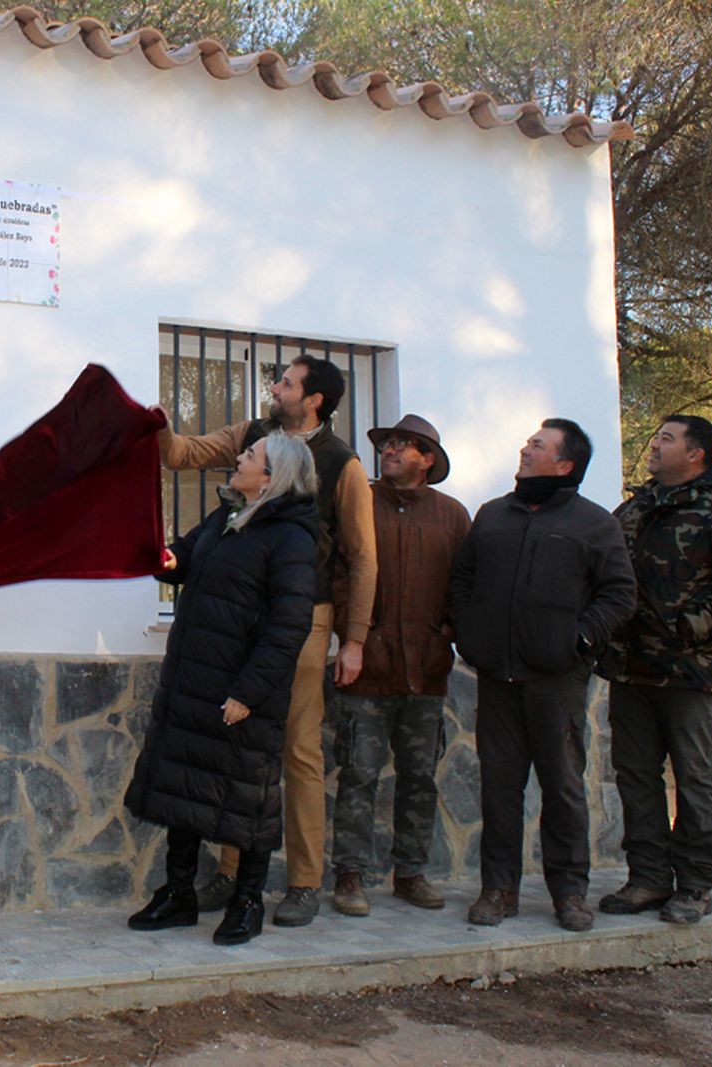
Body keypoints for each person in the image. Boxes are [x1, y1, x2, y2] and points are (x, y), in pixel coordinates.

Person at [159, 355, 375, 927]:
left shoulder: (343, 463)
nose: (274, 388)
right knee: (238, 746)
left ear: (314, 399)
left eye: (285, 382)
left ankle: (303, 883)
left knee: (297, 749)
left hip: (303, 619)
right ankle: (230, 874)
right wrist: (157, 426)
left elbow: (362, 557)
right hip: (239, 623)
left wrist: (354, 638)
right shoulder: (251, 435)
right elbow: (180, 454)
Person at [125, 432, 319, 946]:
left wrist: (248, 693)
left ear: (272, 478)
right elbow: (188, 556)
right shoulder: (228, 516)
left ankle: (247, 902)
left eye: (250, 456)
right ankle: (179, 894)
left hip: (241, 692)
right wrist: (168, 559)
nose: (239, 458)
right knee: (182, 787)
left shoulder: (292, 539)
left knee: (249, 799)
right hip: (195, 680)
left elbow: (288, 627)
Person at [450, 419, 635, 932]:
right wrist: (469, 633)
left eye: (537, 445)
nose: (525, 449)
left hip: (557, 681)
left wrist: (579, 640)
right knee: (499, 788)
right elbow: (462, 578)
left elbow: (619, 594)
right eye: (529, 442)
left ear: (565, 463)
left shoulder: (594, 523)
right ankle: (498, 890)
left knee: (563, 788)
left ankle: (569, 893)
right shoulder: (493, 515)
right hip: (497, 677)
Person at [596, 416, 712, 924]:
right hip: (630, 668)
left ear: (697, 454)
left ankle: (695, 884)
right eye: (655, 437)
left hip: (692, 671)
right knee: (635, 776)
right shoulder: (634, 509)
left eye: (666, 439)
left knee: (695, 778)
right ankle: (648, 878)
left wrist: (688, 628)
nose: (654, 445)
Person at [330, 415, 470, 916]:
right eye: (387, 443)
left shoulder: (453, 516)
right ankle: (349, 876)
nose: (389, 449)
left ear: (427, 459)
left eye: (403, 444)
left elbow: (465, 584)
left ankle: (410, 873)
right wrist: (353, 635)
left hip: (426, 673)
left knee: (420, 777)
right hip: (367, 670)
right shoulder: (359, 503)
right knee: (358, 774)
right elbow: (338, 575)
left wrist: (447, 632)